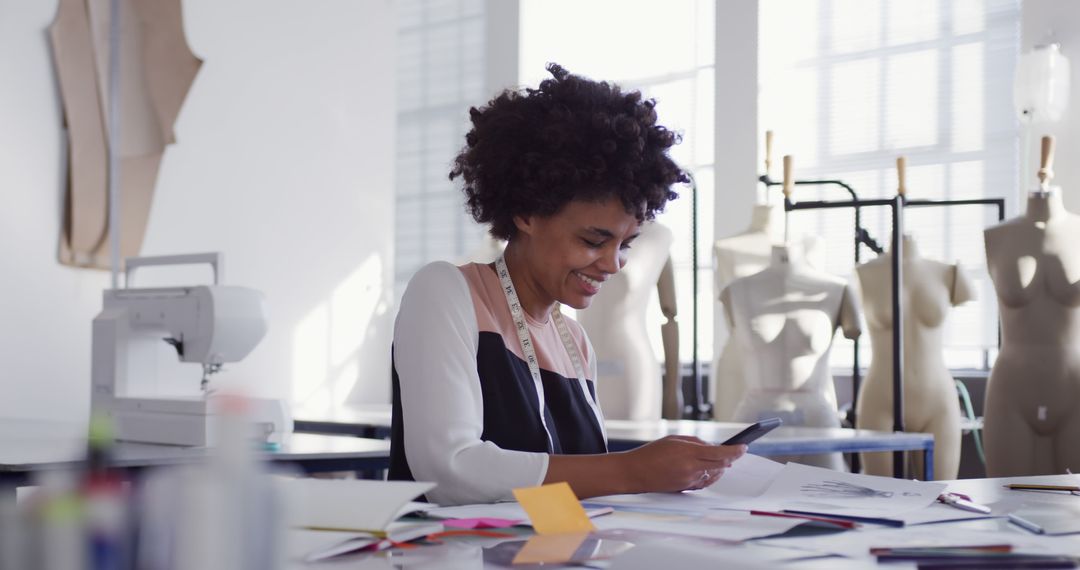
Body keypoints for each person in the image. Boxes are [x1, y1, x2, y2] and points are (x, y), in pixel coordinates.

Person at [389, 64, 746, 506]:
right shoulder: (446, 293)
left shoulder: (572, 340)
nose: (613, 264)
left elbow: (570, 493)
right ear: (526, 213)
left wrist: (662, 469)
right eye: (593, 240)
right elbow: (449, 471)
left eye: (625, 244)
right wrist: (634, 469)